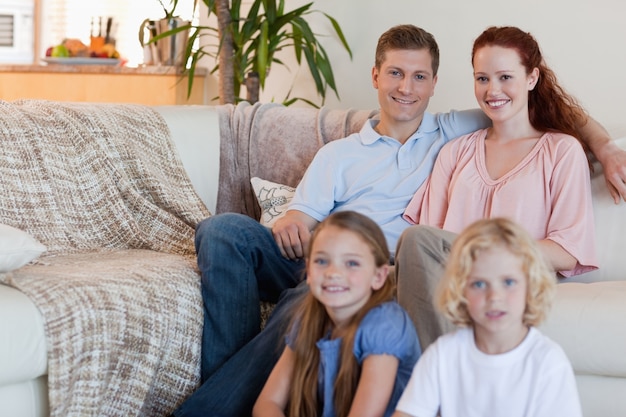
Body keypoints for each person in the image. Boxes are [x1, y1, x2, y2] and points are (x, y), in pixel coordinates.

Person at [171, 24, 626, 417]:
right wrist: (293, 216)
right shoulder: (363, 152)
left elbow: (554, 113)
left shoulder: (458, 131)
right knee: (221, 230)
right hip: (328, 251)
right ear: (376, 76)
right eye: (395, 73)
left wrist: (604, 146)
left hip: (392, 264)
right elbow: (312, 216)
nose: (406, 87)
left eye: (419, 76)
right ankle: (228, 379)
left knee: (315, 294)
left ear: (432, 84)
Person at [397, 25, 600, 351]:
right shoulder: (455, 151)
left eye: (505, 77)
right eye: (482, 78)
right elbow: (429, 241)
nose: (492, 90)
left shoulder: (561, 150)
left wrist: (491, 251)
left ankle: (432, 382)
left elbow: (566, 252)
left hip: (512, 277)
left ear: (531, 78)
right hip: (453, 278)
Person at [393, 218, 583, 417]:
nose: (494, 297)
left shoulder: (547, 362)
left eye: (508, 282)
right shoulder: (442, 355)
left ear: (531, 287)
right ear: (460, 291)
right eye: (479, 284)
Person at [253, 211, 420, 417]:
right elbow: (267, 403)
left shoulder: (385, 324)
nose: (333, 273)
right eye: (322, 261)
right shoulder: (309, 319)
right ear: (309, 272)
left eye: (351, 263)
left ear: (378, 276)